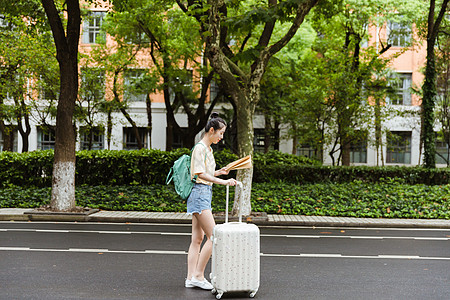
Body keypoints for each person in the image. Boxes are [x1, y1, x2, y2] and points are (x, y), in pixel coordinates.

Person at [185, 113, 237, 290]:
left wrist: (219, 172)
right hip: (199, 193)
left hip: (202, 192)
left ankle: (190, 277)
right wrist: (223, 181)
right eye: (220, 133)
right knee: (213, 236)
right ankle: (198, 276)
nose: (221, 137)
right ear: (211, 130)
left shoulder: (208, 149)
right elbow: (199, 174)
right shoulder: (200, 148)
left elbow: (205, 172)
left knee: (197, 239)